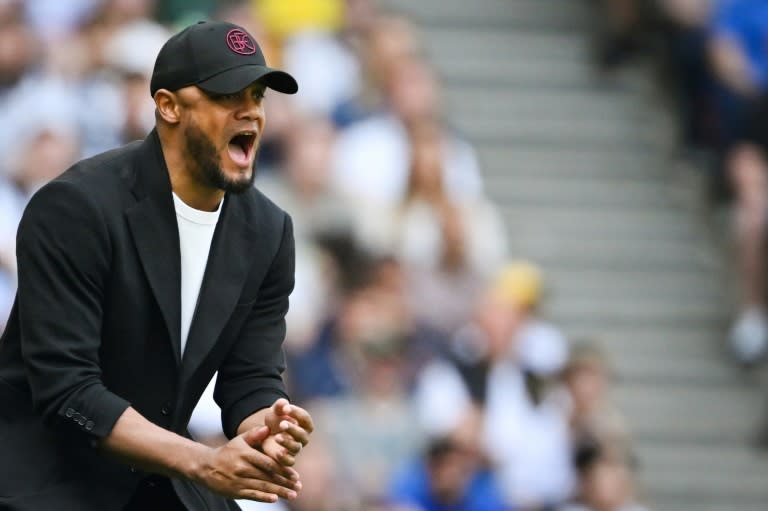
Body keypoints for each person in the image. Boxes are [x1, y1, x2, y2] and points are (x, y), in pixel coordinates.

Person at [0, 21, 314, 510]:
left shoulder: (269, 232)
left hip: (160, 473)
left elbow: (251, 380)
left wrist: (266, 428)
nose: (250, 110)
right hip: (43, 477)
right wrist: (201, 461)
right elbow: (69, 394)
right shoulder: (74, 208)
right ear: (168, 106)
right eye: (227, 94)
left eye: (257, 94)